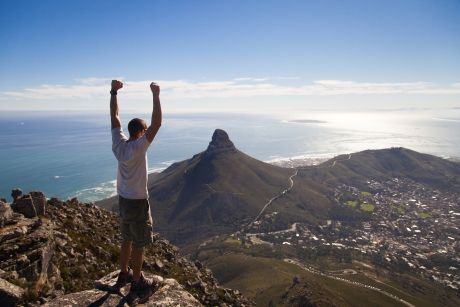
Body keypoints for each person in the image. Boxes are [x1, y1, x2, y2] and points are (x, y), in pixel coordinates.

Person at [109, 79, 162, 301]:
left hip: (123, 200)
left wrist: (113, 93)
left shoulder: (119, 144)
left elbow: (114, 118)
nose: (148, 132)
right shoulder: (139, 147)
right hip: (138, 202)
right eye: (146, 130)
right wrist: (156, 94)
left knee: (126, 238)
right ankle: (137, 281)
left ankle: (124, 273)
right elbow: (157, 123)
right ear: (140, 132)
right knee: (139, 243)